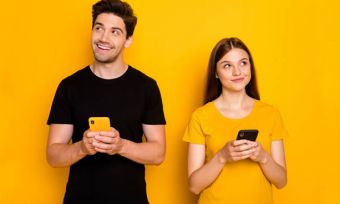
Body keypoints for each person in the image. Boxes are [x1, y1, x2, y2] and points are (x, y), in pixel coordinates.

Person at [46, 0, 166, 203]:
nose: (103, 38)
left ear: (128, 40)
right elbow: (53, 155)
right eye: (98, 28)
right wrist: (82, 148)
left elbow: (158, 153)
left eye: (115, 32)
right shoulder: (69, 86)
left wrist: (120, 146)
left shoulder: (146, 87)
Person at [183, 37, 287, 204]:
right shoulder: (200, 116)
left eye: (243, 63)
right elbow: (194, 186)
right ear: (216, 73)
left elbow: (281, 181)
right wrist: (222, 156)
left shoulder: (270, 114)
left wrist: (263, 157)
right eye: (227, 66)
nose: (237, 72)